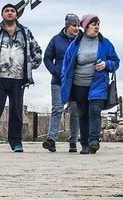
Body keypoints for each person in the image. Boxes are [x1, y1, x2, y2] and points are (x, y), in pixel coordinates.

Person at [0, 3, 43, 152]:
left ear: (17, 14)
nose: (10, 13)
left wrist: (30, 65)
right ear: (2, 15)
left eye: (12, 11)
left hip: (18, 78)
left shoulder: (25, 32)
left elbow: (37, 50)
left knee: (16, 111)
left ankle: (16, 142)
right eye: (7, 11)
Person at [60, 14, 120, 155]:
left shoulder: (105, 43)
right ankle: (85, 144)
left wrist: (106, 64)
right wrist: (65, 79)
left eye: (98, 24)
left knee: (94, 111)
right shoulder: (75, 43)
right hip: (79, 84)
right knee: (83, 114)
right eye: (93, 24)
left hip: (98, 84)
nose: (97, 27)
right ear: (85, 27)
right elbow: (67, 64)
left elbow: (115, 61)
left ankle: (94, 141)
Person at [42, 14, 81, 153]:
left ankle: (73, 141)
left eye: (78, 25)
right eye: (74, 25)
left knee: (75, 111)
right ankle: (51, 139)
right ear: (67, 26)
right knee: (57, 108)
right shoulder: (56, 40)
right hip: (59, 80)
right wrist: (55, 71)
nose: (76, 28)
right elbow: (47, 58)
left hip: (77, 81)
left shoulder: (82, 40)